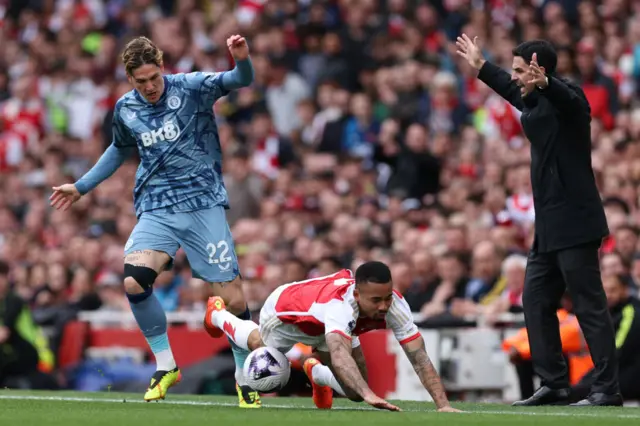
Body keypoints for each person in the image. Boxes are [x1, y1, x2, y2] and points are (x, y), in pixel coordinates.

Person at [49, 35, 260, 406]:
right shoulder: (125, 109)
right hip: (157, 206)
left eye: (153, 77)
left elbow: (238, 80)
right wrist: (82, 186)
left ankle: (246, 377)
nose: (149, 86)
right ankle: (166, 365)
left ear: (162, 68)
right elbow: (119, 149)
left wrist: (241, 60)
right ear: (129, 78)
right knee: (133, 281)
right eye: (140, 80)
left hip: (202, 203)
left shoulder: (191, 87)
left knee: (229, 296)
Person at [456, 34, 621, 406]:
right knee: (534, 299)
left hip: (576, 222)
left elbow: (565, 99)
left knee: (588, 305)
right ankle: (554, 383)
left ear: (538, 70)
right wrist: (482, 65)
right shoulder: (531, 98)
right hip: (548, 225)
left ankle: (607, 388)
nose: (515, 77)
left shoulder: (570, 100)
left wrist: (549, 84)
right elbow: (508, 88)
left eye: (520, 70)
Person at [204, 261, 461, 413]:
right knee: (260, 348)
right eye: (376, 300)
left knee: (355, 393)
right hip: (289, 314)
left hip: (331, 324)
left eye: (387, 298)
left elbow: (418, 356)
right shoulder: (341, 307)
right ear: (358, 295)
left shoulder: (396, 305)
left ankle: (315, 373)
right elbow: (339, 354)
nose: (384, 306)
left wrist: (443, 405)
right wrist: (371, 393)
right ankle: (218, 316)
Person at [572, 274, 640, 401]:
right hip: (619, 372)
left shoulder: (631, 312)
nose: (608, 295)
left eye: (613, 290)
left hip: (630, 376)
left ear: (625, 289)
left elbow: (618, 352)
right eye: (605, 290)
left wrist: (588, 379)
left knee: (577, 391)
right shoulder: (610, 311)